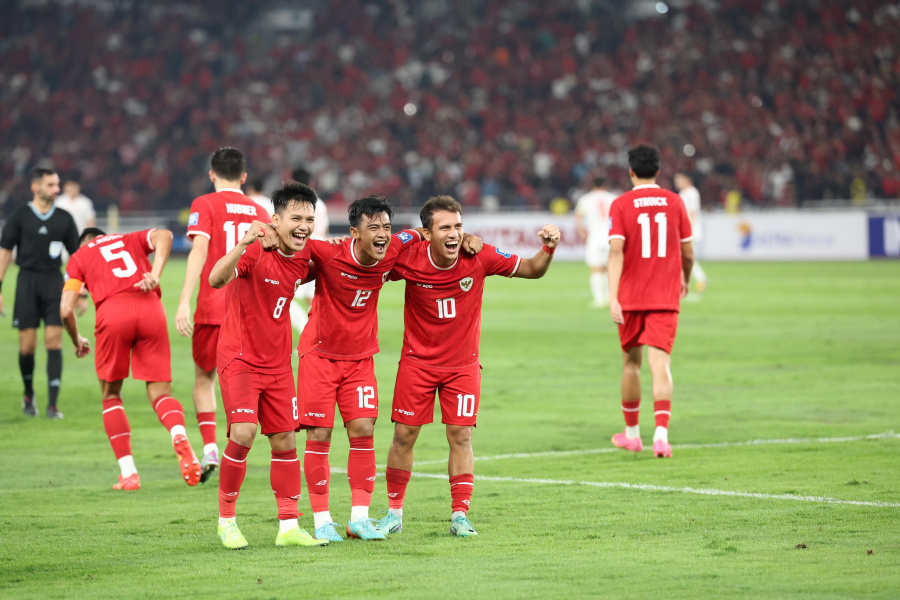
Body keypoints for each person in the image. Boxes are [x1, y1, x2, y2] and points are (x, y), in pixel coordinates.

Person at [373, 195, 560, 538]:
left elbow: (532, 269)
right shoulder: (410, 259)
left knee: (461, 436)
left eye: (459, 226)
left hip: (462, 367)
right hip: (417, 364)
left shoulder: (480, 255)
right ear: (427, 233)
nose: (455, 234)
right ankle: (394, 513)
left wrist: (548, 248)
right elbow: (373, 262)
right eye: (445, 227)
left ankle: (459, 516)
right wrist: (406, 236)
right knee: (403, 435)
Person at [208, 182, 327, 550]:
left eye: (309, 218)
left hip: (278, 365)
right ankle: (226, 520)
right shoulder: (256, 250)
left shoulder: (303, 257)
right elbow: (216, 279)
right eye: (296, 218)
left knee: (285, 439)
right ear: (275, 220)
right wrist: (244, 242)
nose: (304, 225)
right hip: (240, 359)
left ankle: (289, 526)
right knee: (243, 433)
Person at [59, 227, 202, 490]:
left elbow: (66, 309)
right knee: (160, 392)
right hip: (150, 308)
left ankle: (129, 474)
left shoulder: (79, 257)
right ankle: (178, 434)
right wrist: (154, 275)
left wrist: (76, 339)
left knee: (111, 394)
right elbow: (167, 236)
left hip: (113, 314)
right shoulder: (128, 238)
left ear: (85, 243)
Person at [175, 147, 270, 483]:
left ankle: (211, 449)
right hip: (249, 314)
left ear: (212, 174)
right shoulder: (260, 210)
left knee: (205, 379)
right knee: (242, 379)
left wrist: (184, 300)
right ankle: (238, 449)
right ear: (244, 176)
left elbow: (199, 251)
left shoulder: (204, 204)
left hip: (212, 308)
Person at [607, 145, 694, 458]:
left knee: (631, 364)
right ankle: (661, 436)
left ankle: (632, 435)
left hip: (630, 298)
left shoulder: (620, 204)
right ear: (658, 170)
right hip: (664, 297)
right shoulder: (675, 202)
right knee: (661, 365)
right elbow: (688, 252)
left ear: (631, 171)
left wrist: (613, 295)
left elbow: (615, 250)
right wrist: (685, 277)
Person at [0, 167, 79, 419]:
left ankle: (53, 405)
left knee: (54, 341)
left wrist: (82, 292)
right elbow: (5, 252)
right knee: (27, 346)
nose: (57, 190)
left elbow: (77, 258)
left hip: (54, 282)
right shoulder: (20, 216)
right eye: (51, 185)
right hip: (26, 282)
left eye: (57, 185)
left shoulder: (64, 218)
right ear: (36, 188)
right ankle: (28, 394)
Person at [289, 166, 329, 335]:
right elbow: (325, 230)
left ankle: (308, 331)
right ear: (311, 182)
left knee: (283, 293)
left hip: (303, 251)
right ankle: (319, 334)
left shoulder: (295, 203)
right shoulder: (320, 204)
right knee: (313, 299)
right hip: (322, 253)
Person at [575, 177, 617, 307]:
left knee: (596, 269)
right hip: (611, 236)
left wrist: (583, 232)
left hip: (594, 237)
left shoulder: (586, 199)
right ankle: (612, 298)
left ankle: (599, 300)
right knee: (611, 268)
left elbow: (578, 217)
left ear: (592, 185)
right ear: (605, 185)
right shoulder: (613, 197)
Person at [674, 172, 708, 293]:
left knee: (686, 257)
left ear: (686, 179)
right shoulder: (683, 193)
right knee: (684, 257)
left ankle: (701, 279)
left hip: (690, 232)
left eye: (679, 179)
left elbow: (693, 213)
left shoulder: (692, 193)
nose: (676, 182)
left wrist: (689, 231)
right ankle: (694, 280)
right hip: (685, 231)